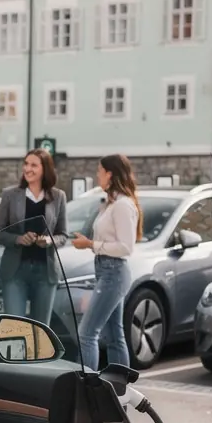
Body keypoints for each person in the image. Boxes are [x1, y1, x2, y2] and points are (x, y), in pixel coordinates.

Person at [70, 154, 143, 371]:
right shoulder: (112, 204)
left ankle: (86, 385)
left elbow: (125, 247)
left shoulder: (123, 205)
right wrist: (89, 243)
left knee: (86, 333)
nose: (97, 176)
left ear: (109, 174)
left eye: (99, 172)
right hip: (106, 270)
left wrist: (90, 244)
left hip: (114, 272)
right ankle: (119, 385)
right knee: (113, 335)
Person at [0, 149, 68, 326]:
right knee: (15, 327)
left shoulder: (58, 196)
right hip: (15, 271)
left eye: (34, 165)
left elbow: (63, 235)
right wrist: (18, 239)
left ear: (45, 169)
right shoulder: (10, 195)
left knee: (40, 330)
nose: (28, 169)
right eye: (26, 164)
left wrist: (49, 241)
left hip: (45, 272)